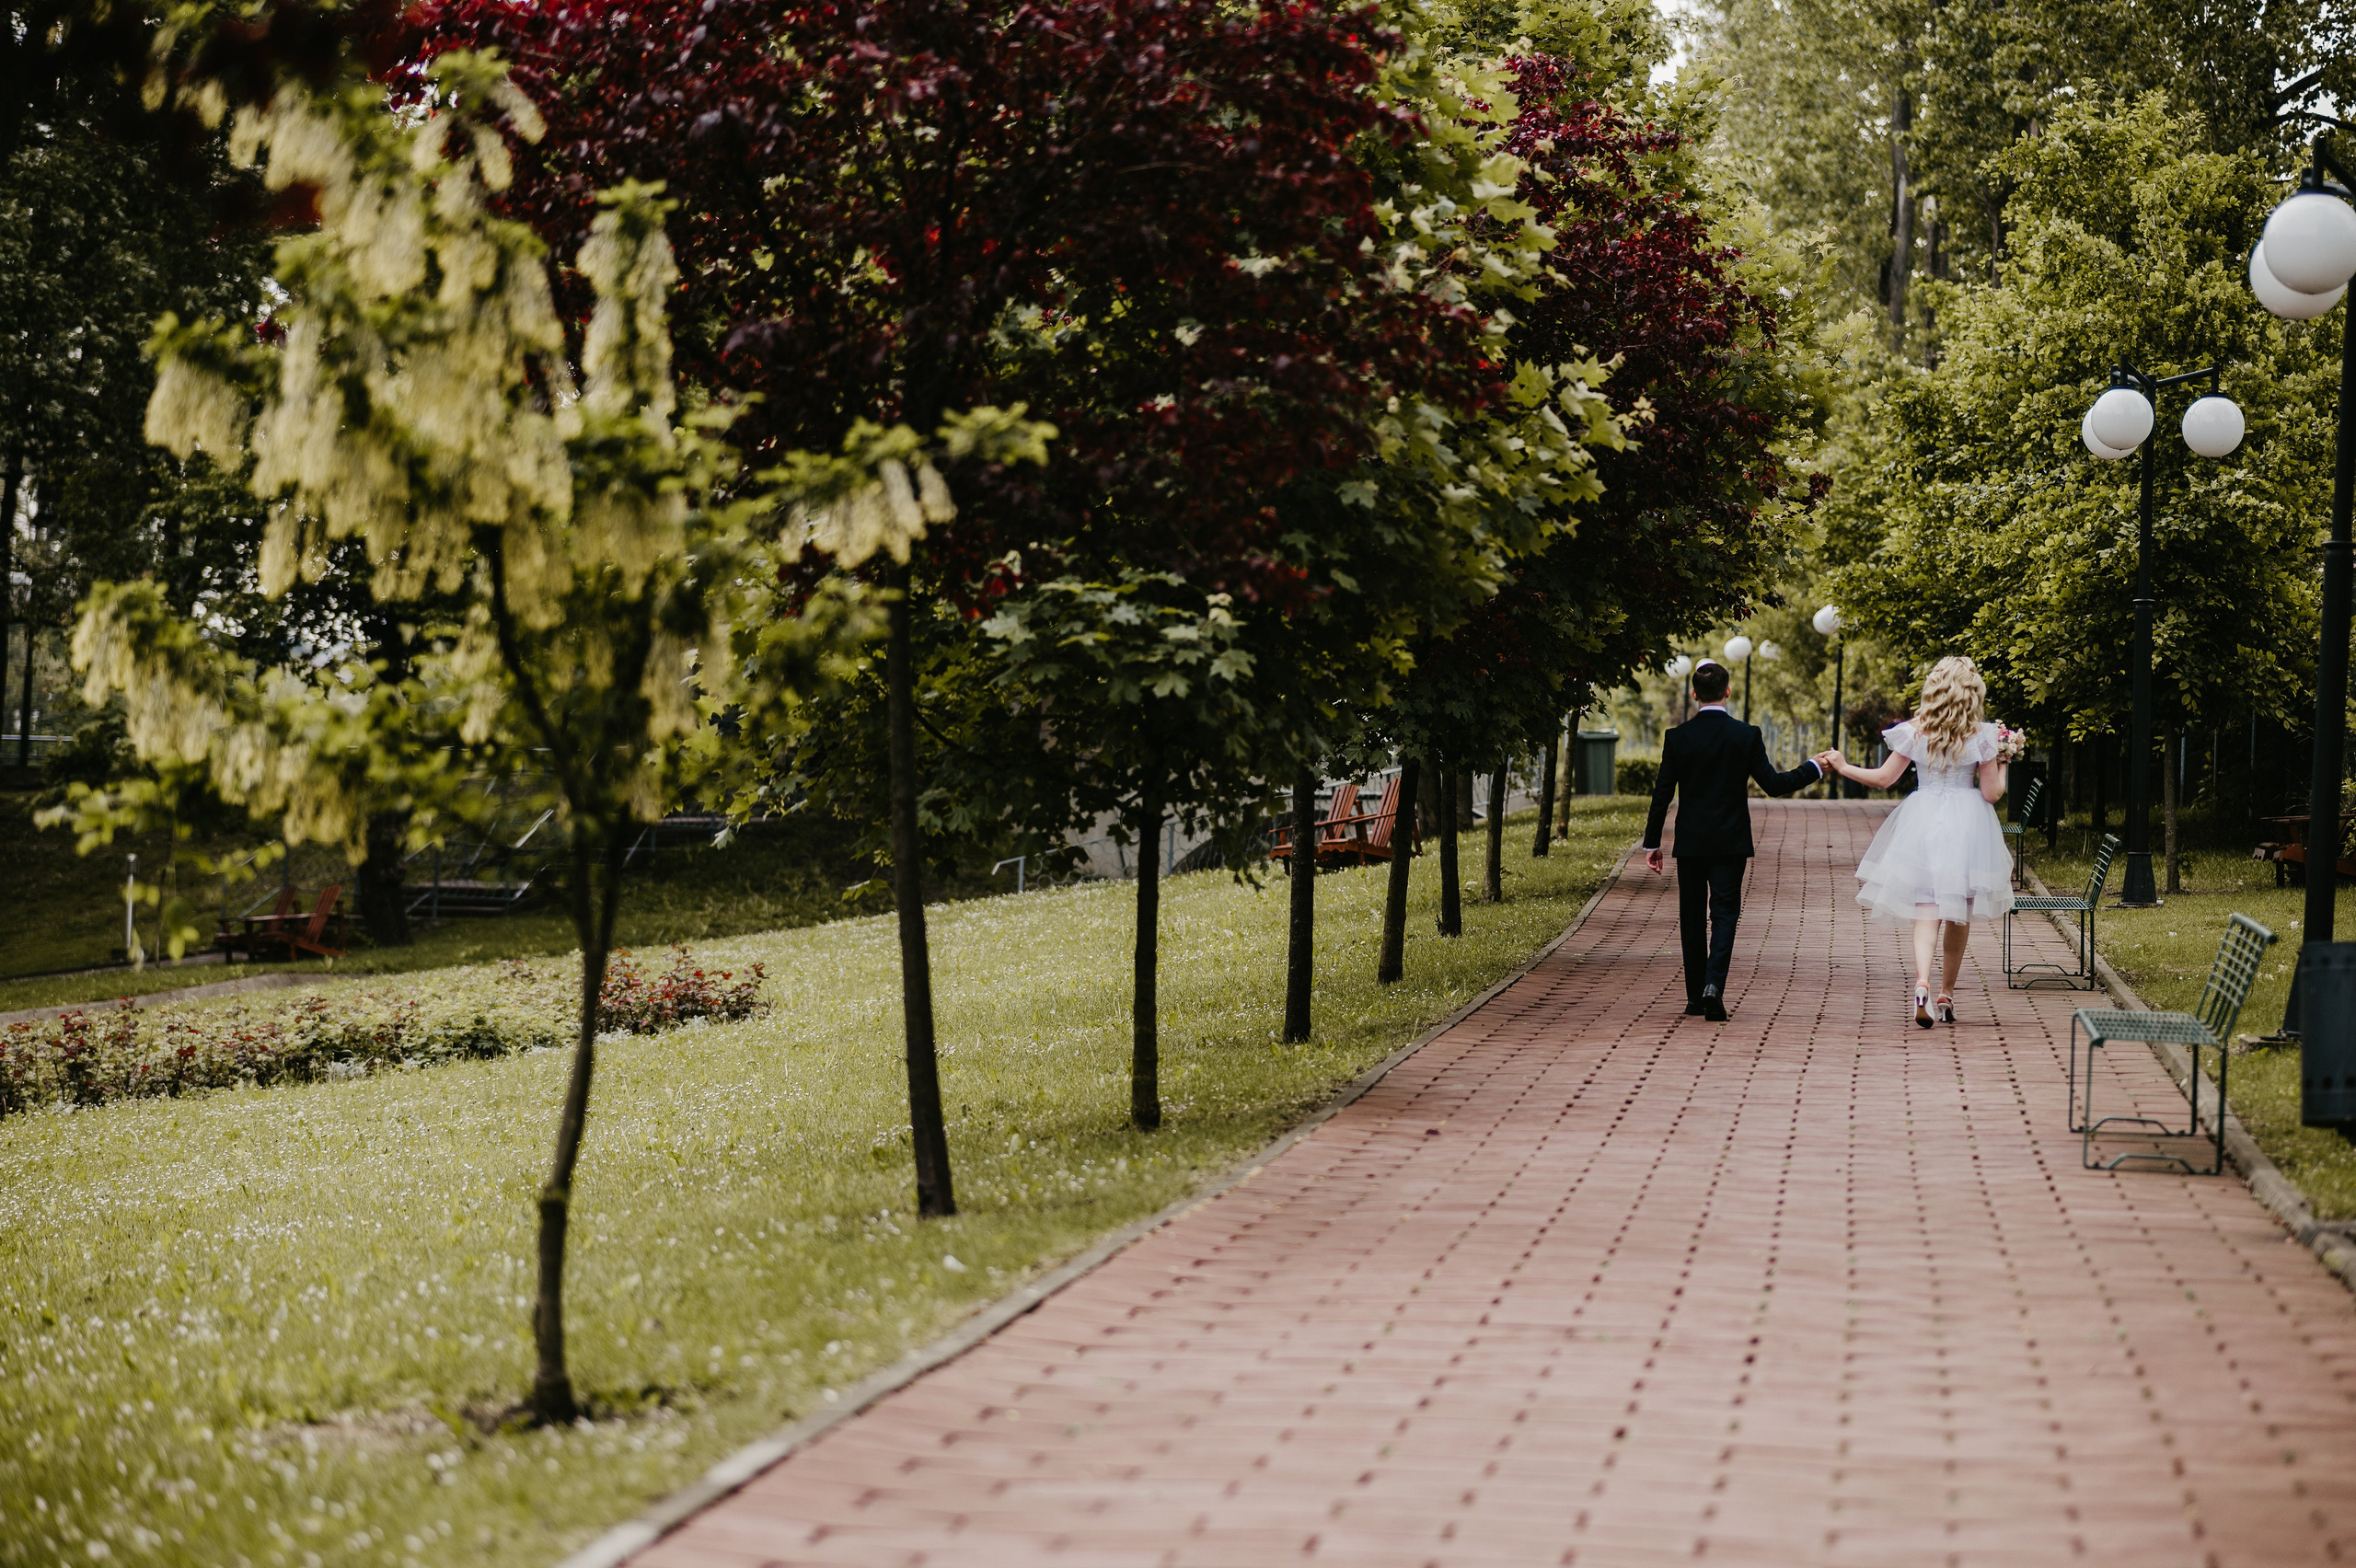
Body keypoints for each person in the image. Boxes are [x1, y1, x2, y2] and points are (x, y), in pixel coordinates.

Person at [1819, 655, 2013, 1029]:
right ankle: (1946, 992)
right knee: (1959, 910)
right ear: (1973, 692)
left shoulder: (1916, 730)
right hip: (1967, 823)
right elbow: (1991, 794)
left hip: (1922, 819)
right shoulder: (1986, 735)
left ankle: (1921, 981)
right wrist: (2004, 764)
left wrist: (1843, 766)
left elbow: (1883, 779)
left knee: (1926, 909)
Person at [1644, 661, 1829, 1021]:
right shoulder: (1746, 735)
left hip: (1692, 844)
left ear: (1694, 694)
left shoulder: (1677, 737)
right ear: (1728, 692)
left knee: (1692, 918)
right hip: (1730, 843)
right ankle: (1714, 984)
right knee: (1725, 914)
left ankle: (1696, 998)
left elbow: (1661, 794)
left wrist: (1653, 843)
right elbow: (1774, 785)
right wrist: (1814, 767)